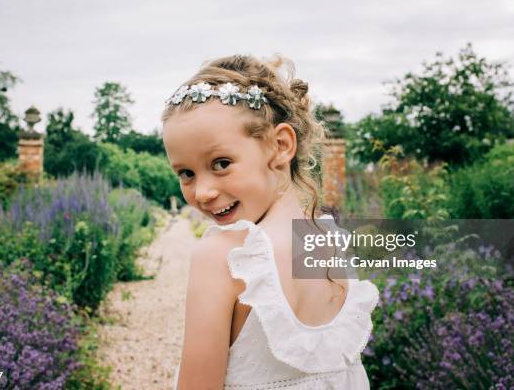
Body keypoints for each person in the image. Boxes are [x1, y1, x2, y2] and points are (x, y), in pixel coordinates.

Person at [162, 54, 379, 389]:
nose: (202, 192)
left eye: (221, 163)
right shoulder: (329, 238)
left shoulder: (225, 255)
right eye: (186, 173)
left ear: (280, 145)